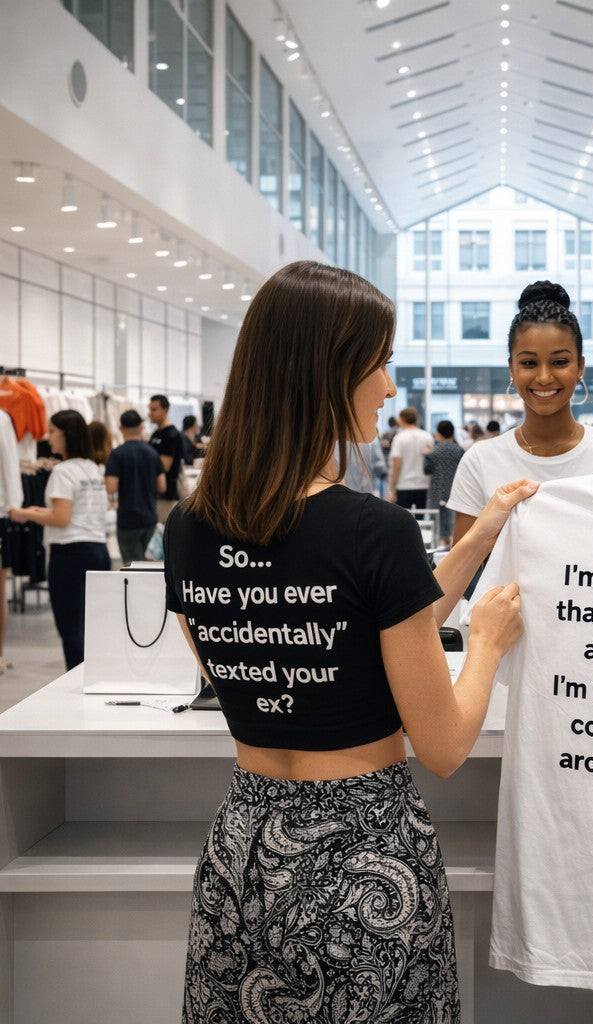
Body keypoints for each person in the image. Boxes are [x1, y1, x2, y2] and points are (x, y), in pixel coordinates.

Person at [161, 260, 536, 1023]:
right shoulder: (376, 531)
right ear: (330, 372)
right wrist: (488, 642)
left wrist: (479, 536)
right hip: (364, 854)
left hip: (245, 848)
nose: (391, 387)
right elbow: (442, 743)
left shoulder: (189, 529)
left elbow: (337, 645)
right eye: (382, 362)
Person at [447, 279, 593, 545]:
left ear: (580, 367)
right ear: (511, 368)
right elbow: (462, 570)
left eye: (559, 362)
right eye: (529, 362)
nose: (543, 377)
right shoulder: (480, 461)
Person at [9, 409, 111, 669]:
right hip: (98, 550)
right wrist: (36, 511)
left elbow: (62, 518)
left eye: (53, 431)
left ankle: (77, 678)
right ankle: (95, 675)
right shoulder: (92, 468)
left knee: (70, 627)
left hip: (69, 554)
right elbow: (75, 513)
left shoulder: (62, 472)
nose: (48, 437)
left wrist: (26, 515)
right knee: (94, 624)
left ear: (67, 436)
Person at [104, 409, 166, 564]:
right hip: (149, 518)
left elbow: (110, 487)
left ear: (120, 428)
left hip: (127, 520)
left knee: (132, 570)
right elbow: (162, 487)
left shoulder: (117, 454)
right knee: (151, 568)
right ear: (141, 426)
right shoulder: (152, 453)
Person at [424, 419, 464, 548]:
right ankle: (451, 542)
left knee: (437, 518)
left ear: (439, 433)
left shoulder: (434, 451)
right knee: (452, 518)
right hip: (455, 489)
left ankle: (439, 543)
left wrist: (426, 455)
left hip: (438, 489)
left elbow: (427, 469)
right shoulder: (459, 450)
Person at [387, 406, 434, 509]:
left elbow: (396, 464)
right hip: (423, 484)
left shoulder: (399, 438)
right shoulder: (427, 436)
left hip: (404, 485)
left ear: (401, 419)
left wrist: (391, 488)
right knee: (421, 520)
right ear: (416, 419)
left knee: (404, 520)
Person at [148, 393, 184, 523]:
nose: (149, 413)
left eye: (154, 409)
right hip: (154, 493)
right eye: (149, 409)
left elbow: (165, 466)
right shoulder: (155, 434)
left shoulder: (171, 435)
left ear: (165, 410)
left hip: (167, 495)